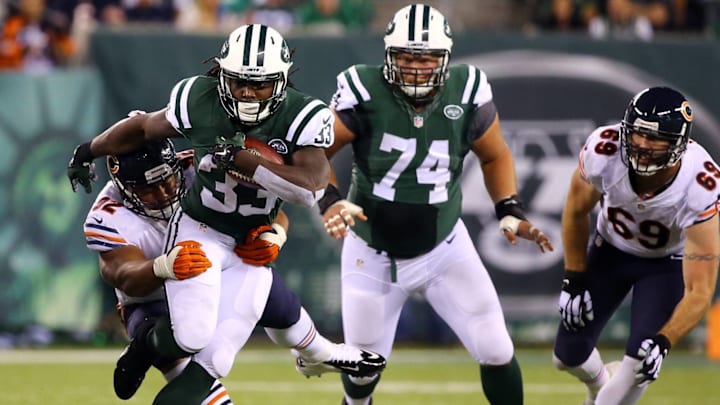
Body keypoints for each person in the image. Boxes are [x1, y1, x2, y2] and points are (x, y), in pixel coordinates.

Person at [67, 23, 386, 404]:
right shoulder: (198, 100)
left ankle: (319, 352)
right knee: (191, 336)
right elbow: (142, 127)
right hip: (200, 228)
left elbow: (310, 188)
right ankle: (147, 346)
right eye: (238, 82)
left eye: (260, 83)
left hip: (247, 240)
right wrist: (89, 149)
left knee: (219, 354)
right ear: (221, 75)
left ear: (282, 80)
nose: (248, 92)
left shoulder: (302, 115)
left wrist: (254, 182)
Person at [307, 4, 554, 405]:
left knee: (496, 348)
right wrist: (330, 200)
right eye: (406, 56)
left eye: (426, 58)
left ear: (445, 59)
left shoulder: (468, 89)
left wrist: (508, 207)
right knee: (362, 377)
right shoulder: (363, 89)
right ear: (388, 56)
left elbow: (495, 155)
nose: (416, 67)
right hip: (372, 253)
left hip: (445, 248)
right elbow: (314, 155)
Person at [553, 86, 720, 405]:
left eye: (656, 138)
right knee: (567, 355)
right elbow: (575, 210)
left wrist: (664, 341)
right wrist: (573, 278)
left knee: (641, 362)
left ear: (679, 144)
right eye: (638, 133)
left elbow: (700, 290)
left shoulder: (699, 184)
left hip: (665, 264)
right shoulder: (604, 151)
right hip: (610, 251)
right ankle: (601, 381)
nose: (643, 145)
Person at [84, 138, 233, 403]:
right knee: (182, 357)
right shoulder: (107, 214)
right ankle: (148, 341)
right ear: (125, 188)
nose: (163, 193)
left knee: (275, 303)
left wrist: (274, 233)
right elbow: (124, 276)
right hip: (152, 302)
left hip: (216, 280)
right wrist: (162, 267)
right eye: (148, 188)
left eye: (167, 180)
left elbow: (261, 203)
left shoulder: (200, 169)